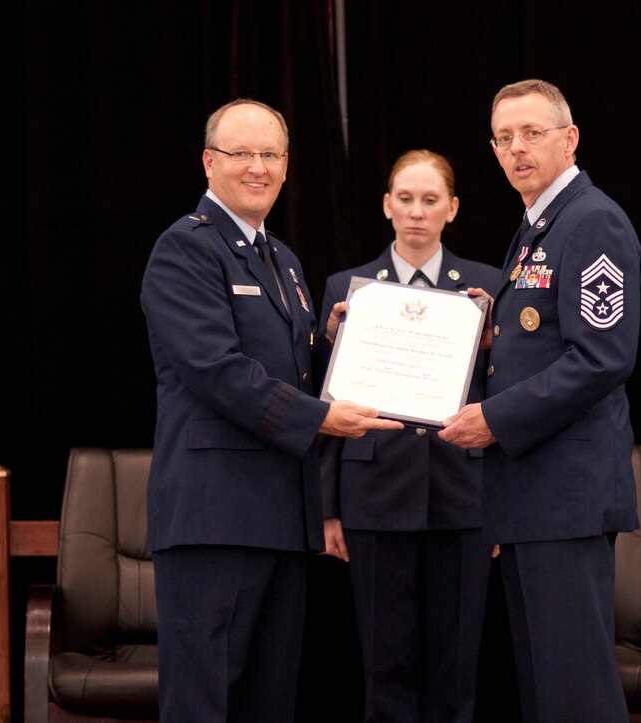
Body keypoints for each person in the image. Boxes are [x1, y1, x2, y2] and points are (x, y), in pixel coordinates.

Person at [140, 98, 402, 722]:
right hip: (215, 518)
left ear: (286, 166)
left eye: (271, 155)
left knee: (269, 703)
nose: (257, 167)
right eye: (241, 154)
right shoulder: (185, 249)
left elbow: (291, 363)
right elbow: (219, 371)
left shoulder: (281, 260)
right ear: (209, 162)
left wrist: (340, 341)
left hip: (280, 519)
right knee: (206, 703)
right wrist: (321, 419)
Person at [439, 79, 641, 721]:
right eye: (504, 138)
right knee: (546, 695)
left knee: (575, 694)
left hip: (566, 496)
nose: (517, 149)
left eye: (532, 133)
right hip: (532, 496)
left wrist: (494, 419)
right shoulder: (537, 225)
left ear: (569, 138)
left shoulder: (592, 220)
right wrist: (488, 329)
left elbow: (601, 357)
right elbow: (548, 336)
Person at [318, 149, 501, 722]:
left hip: (465, 495)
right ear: (386, 206)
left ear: (452, 208)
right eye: (405, 198)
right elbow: (322, 413)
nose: (416, 212)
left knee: (456, 670)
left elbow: (504, 403)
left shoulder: (487, 288)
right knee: (384, 668)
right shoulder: (348, 290)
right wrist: (327, 509)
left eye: (429, 200)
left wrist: (504, 506)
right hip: (373, 496)